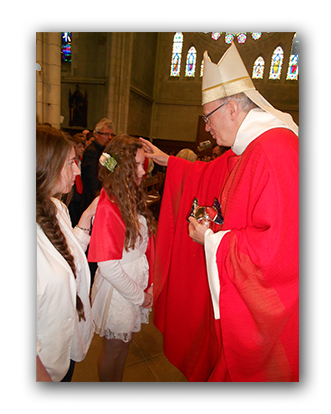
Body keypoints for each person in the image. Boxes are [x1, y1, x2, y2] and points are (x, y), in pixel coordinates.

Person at [140, 42, 299, 382]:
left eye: (207, 117)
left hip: (270, 323)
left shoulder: (274, 151)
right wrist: (168, 161)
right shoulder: (251, 148)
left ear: (231, 109)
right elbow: (211, 173)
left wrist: (212, 239)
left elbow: (278, 255)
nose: (206, 127)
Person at [87, 134, 156, 382]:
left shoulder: (130, 196)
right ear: (122, 168)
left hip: (134, 285)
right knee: (113, 349)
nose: (143, 171)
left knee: (124, 346)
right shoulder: (108, 205)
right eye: (136, 165)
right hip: (120, 290)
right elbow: (107, 266)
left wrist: (149, 284)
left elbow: (144, 246)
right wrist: (140, 296)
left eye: (142, 164)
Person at [36, 125, 99, 381]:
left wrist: (87, 215)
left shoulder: (56, 207)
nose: (77, 169)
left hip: (65, 346)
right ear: (45, 165)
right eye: (72, 162)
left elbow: (68, 255)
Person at [80, 118, 115, 214]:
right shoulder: (92, 151)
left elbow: (114, 170)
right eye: (107, 134)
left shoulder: (105, 152)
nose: (110, 138)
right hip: (93, 199)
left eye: (112, 135)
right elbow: (93, 181)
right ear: (96, 135)